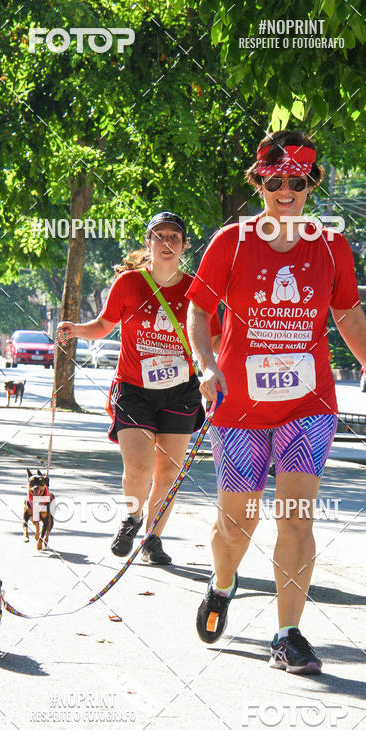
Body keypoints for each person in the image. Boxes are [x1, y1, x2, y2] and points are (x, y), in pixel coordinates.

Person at [187, 130, 366, 674]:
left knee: (295, 518)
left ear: (310, 184)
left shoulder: (330, 245)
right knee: (237, 524)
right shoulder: (232, 241)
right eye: (276, 181)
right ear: (261, 183)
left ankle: (288, 633)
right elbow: (199, 311)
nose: (287, 190)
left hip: (308, 404)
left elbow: (347, 316)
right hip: (239, 405)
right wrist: (207, 363)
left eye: (297, 181)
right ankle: (223, 584)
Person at [58, 212, 221, 565]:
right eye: (158, 236)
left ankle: (153, 538)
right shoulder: (130, 284)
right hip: (134, 387)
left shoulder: (196, 289)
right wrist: (76, 330)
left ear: (184, 245)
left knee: (168, 471)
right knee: (139, 467)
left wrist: (222, 369)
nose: (166, 243)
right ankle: (132, 519)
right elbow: (104, 324)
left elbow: (217, 338)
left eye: (173, 238)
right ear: (148, 243)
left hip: (181, 391)